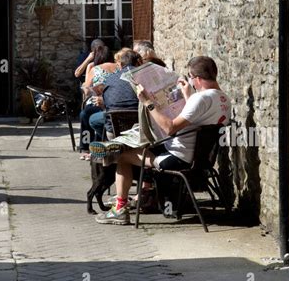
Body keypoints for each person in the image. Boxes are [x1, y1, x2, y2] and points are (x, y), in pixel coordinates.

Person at [96, 55, 231, 225]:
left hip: (178, 158)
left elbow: (170, 128)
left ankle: (120, 209)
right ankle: (142, 196)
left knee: (122, 156)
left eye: (190, 77)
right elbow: (198, 118)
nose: (189, 80)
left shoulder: (200, 98)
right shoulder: (223, 98)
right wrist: (187, 95)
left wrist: (148, 103)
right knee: (139, 145)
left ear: (197, 78)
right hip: (201, 160)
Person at [88, 48, 142, 141]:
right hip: (141, 127)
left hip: (114, 130)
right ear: (138, 62)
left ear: (120, 64)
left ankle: (108, 144)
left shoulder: (110, 79)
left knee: (93, 120)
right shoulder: (145, 75)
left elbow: (107, 105)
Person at [78, 44, 117, 158]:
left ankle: (86, 147)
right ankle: (97, 146)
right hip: (114, 103)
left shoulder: (95, 69)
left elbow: (86, 90)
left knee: (85, 114)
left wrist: (87, 88)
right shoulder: (119, 68)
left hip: (97, 102)